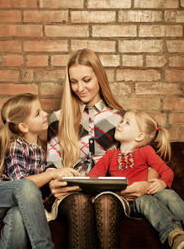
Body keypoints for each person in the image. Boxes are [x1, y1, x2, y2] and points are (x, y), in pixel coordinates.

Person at [46, 48, 157, 249]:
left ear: (99, 78)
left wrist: (147, 183)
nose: (80, 87)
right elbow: (51, 165)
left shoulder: (119, 119)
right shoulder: (57, 118)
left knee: (105, 201)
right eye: (74, 81)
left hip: (110, 195)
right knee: (79, 202)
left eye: (86, 80)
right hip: (70, 196)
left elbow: (147, 158)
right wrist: (53, 183)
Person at [88, 110, 184, 249]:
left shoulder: (146, 151)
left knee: (169, 194)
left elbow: (166, 171)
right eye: (121, 121)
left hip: (150, 191)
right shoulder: (110, 155)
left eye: (127, 123)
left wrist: (162, 182)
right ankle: (173, 234)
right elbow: (93, 177)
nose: (119, 124)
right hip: (131, 201)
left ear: (139, 136)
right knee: (145, 200)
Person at [0, 93, 79, 249]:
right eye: (38, 113)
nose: (45, 114)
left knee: (17, 215)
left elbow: (36, 192)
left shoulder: (40, 148)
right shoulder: (15, 145)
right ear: (23, 126)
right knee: (27, 186)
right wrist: (53, 173)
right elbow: (21, 184)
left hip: (16, 204)